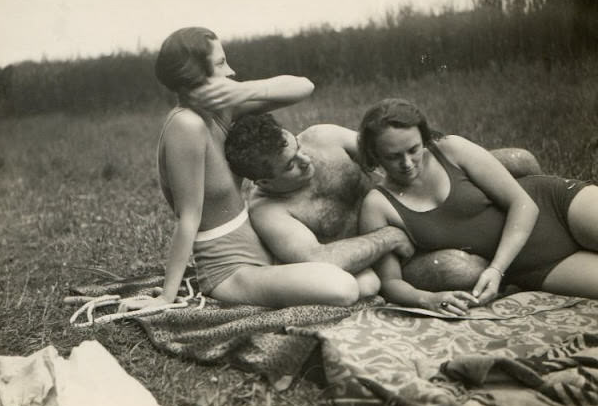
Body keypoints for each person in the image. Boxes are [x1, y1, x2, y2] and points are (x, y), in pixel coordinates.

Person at [132, 26, 413, 310]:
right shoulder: (186, 125)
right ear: (194, 74)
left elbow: (304, 86)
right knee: (346, 287)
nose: (230, 71)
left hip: (262, 251)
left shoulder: (222, 109)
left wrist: (244, 90)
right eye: (220, 64)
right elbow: (188, 217)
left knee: (369, 283)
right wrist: (167, 297)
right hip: (231, 270)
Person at [223, 113, 543, 300]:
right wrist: (388, 238)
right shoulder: (269, 212)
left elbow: (390, 150)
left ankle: (542, 219)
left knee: (520, 159)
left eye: (296, 145)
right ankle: (520, 265)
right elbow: (318, 260)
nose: (305, 159)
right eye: (290, 165)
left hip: (412, 196)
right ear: (262, 181)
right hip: (394, 258)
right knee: (461, 269)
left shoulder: (323, 137)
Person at [356, 98, 598, 316]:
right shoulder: (377, 206)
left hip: (558, 208)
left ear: (424, 138)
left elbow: (523, 202)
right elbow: (390, 283)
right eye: (393, 156)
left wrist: (497, 269)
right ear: (374, 155)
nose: (407, 163)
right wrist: (428, 299)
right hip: (535, 267)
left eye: (413, 150)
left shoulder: (451, 150)